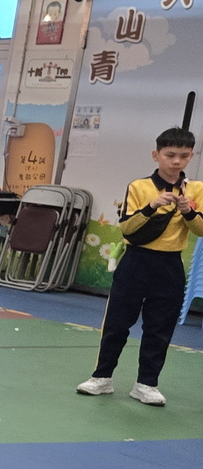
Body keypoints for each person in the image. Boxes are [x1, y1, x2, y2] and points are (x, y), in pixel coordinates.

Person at [76, 126, 203, 406]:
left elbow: (201, 229)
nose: (176, 161)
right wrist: (151, 206)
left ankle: (146, 384)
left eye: (184, 156)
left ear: (191, 156)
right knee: (117, 323)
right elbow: (127, 227)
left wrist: (188, 211)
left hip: (170, 265)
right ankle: (101, 377)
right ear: (156, 155)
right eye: (170, 155)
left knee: (160, 327)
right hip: (136, 261)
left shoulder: (197, 189)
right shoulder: (139, 186)